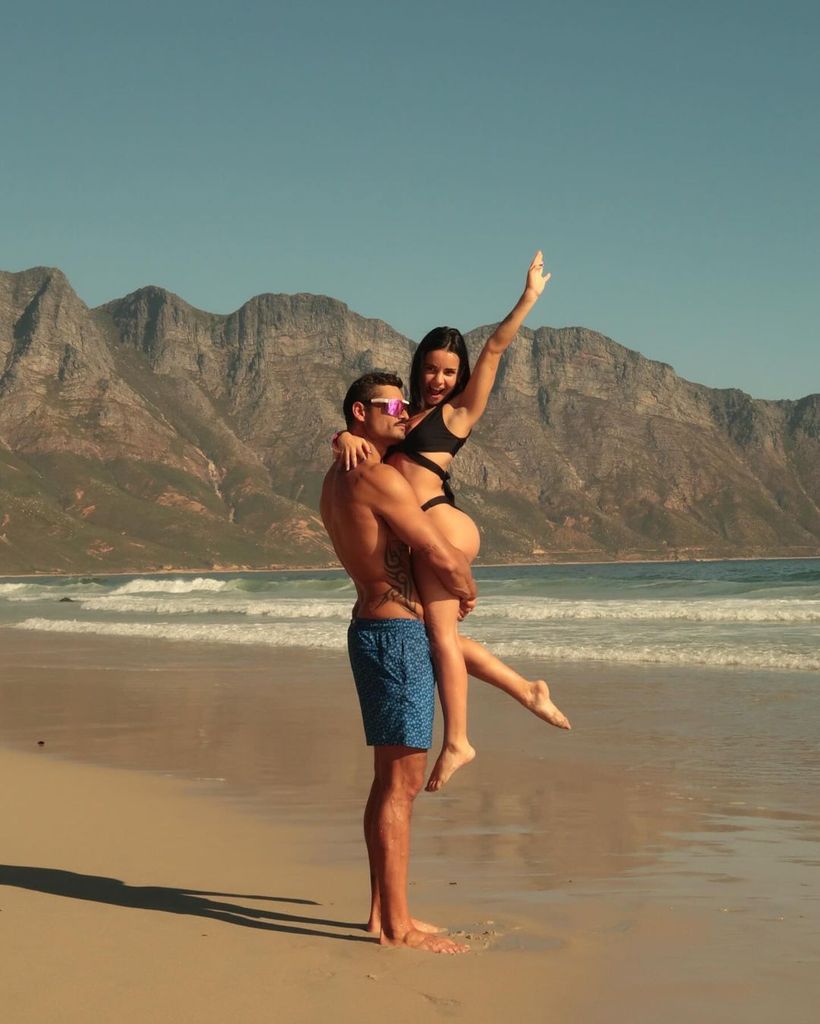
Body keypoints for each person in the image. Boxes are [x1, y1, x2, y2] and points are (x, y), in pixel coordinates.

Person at [334, 253, 570, 793]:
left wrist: (527, 298)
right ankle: (526, 689)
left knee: (439, 633)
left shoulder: (456, 414)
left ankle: (459, 740)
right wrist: (341, 435)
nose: (438, 379)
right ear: (418, 368)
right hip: (423, 534)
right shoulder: (402, 415)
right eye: (431, 369)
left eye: (448, 371)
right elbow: (364, 420)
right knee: (430, 631)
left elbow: (495, 349)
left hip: (442, 526)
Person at [320, 371, 476, 954]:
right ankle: (398, 927)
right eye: (391, 405)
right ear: (360, 412)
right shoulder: (379, 477)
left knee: (387, 782)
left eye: (405, 404)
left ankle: (380, 913)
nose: (403, 411)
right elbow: (435, 549)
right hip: (397, 638)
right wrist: (466, 588)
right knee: (402, 787)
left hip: (371, 630)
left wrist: (342, 436)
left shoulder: (339, 475)